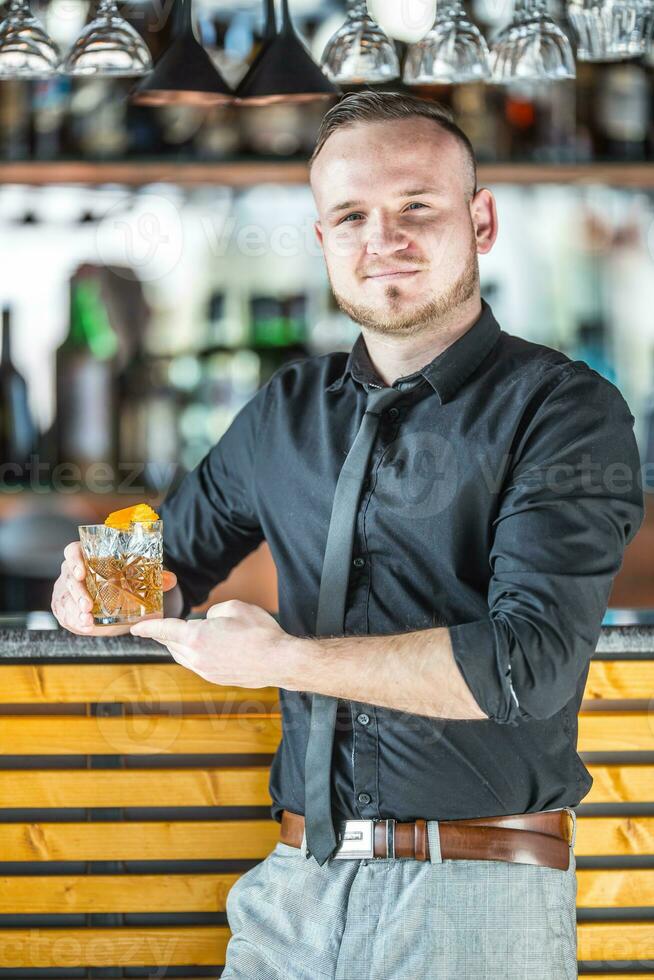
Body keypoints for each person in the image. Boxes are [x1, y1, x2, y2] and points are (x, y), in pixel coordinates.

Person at [51, 91, 645, 979]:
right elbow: (168, 566)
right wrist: (98, 592)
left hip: (474, 900)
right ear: (323, 238)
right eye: (352, 216)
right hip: (292, 890)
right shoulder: (287, 411)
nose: (384, 238)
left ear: (480, 219)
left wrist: (280, 659)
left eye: (417, 207)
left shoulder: (565, 412)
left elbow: (529, 667)